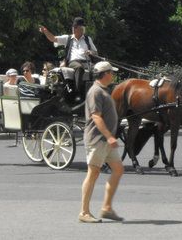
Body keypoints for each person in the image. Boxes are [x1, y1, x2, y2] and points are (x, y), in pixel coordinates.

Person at [79, 61, 124, 223]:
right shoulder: (95, 92)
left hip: (105, 140)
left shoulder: (103, 90)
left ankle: (106, 208)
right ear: (105, 74)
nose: (113, 75)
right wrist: (110, 136)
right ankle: (84, 212)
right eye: (112, 73)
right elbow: (96, 116)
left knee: (118, 170)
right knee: (93, 173)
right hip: (98, 139)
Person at [39, 17, 97, 94]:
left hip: (87, 62)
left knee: (98, 70)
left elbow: (96, 53)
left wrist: (91, 52)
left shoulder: (88, 39)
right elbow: (53, 38)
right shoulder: (68, 38)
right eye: (73, 26)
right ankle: (77, 92)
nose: (73, 28)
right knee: (79, 68)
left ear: (82, 29)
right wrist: (46, 31)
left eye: (75, 27)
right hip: (73, 62)